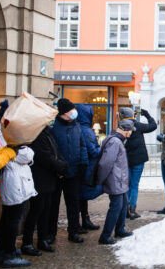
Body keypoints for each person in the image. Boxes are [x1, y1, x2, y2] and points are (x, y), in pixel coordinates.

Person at [22, 126, 68, 256]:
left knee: (46, 210)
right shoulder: (35, 134)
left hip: (49, 178)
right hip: (39, 178)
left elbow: (56, 152)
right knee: (36, 210)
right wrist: (60, 166)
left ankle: (42, 239)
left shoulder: (48, 132)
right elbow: (44, 156)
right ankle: (27, 242)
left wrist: (61, 166)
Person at [50, 98, 88, 244]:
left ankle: (73, 231)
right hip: (58, 173)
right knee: (53, 205)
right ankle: (50, 233)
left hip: (74, 171)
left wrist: (83, 163)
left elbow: (82, 145)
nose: (74, 113)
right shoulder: (53, 128)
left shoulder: (76, 125)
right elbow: (52, 150)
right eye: (72, 111)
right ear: (64, 113)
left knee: (73, 204)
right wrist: (58, 167)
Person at [96, 120, 135, 245]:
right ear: (125, 130)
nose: (130, 133)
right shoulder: (115, 141)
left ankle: (120, 230)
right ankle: (105, 236)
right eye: (130, 131)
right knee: (116, 207)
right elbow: (106, 163)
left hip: (119, 180)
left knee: (123, 205)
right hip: (115, 180)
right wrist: (101, 180)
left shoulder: (115, 140)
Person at [120, 107, 157, 220]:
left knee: (127, 185)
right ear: (132, 115)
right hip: (138, 160)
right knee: (134, 185)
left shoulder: (120, 125)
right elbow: (153, 126)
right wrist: (147, 115)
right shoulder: (137, 125)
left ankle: (124, 210)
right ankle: (132, 210)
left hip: (125, 160)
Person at [76, 105, 103, 231]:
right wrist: (101, 149)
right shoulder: (85, 130)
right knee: (81, 195)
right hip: (86, 168)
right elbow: (93, 151)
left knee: (81, 196)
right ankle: (81, 222)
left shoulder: (81, 128)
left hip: (84, 167)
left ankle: (84, 220)